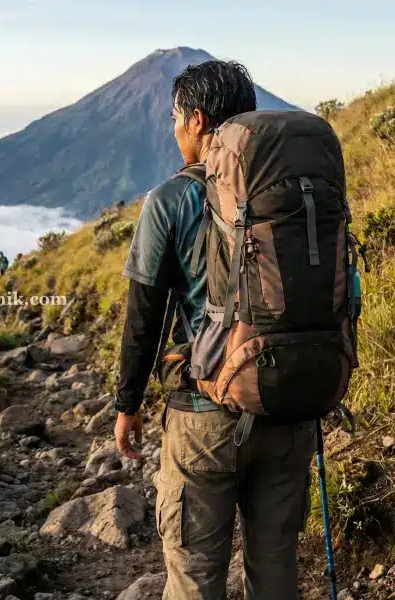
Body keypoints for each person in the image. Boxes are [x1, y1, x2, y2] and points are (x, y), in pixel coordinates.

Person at [114, 60, 316, 600]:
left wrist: (126, 403)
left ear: (198, 121)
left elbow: (144, 318)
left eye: (177, 118)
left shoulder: (171, 200)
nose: (173, 129)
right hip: (287, 406)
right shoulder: (293, 192)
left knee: (195, 578)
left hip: (205, 419)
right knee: (275, 574)